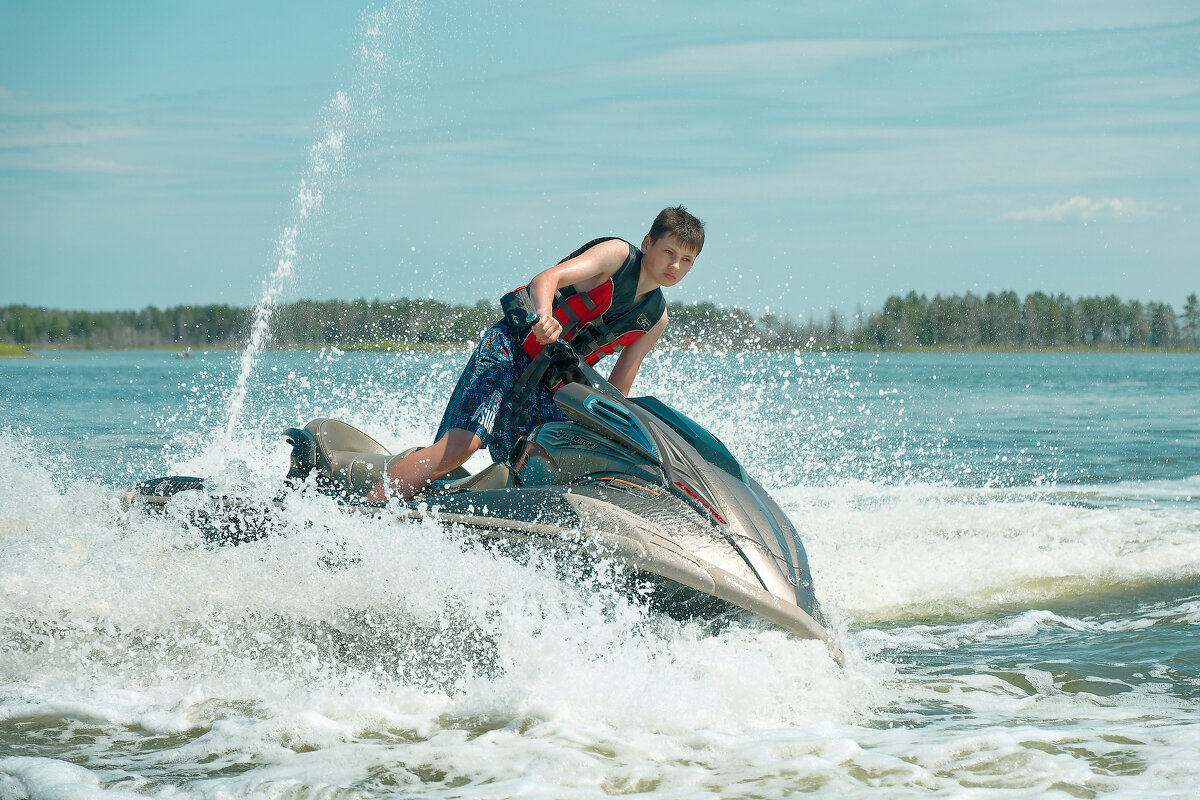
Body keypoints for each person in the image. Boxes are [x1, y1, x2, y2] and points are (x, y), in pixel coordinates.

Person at [367, 205, 704, 502]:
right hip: (510, 349)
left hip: (549, 385)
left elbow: (619, 389)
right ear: (648, 244)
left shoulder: (656, 318)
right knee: (463, 446)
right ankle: (368, 508)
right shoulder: (617, 256)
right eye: (669, 252)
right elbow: (547, 278)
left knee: (541, 466)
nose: (675, 265)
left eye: (686, 260)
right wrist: (543, 316)